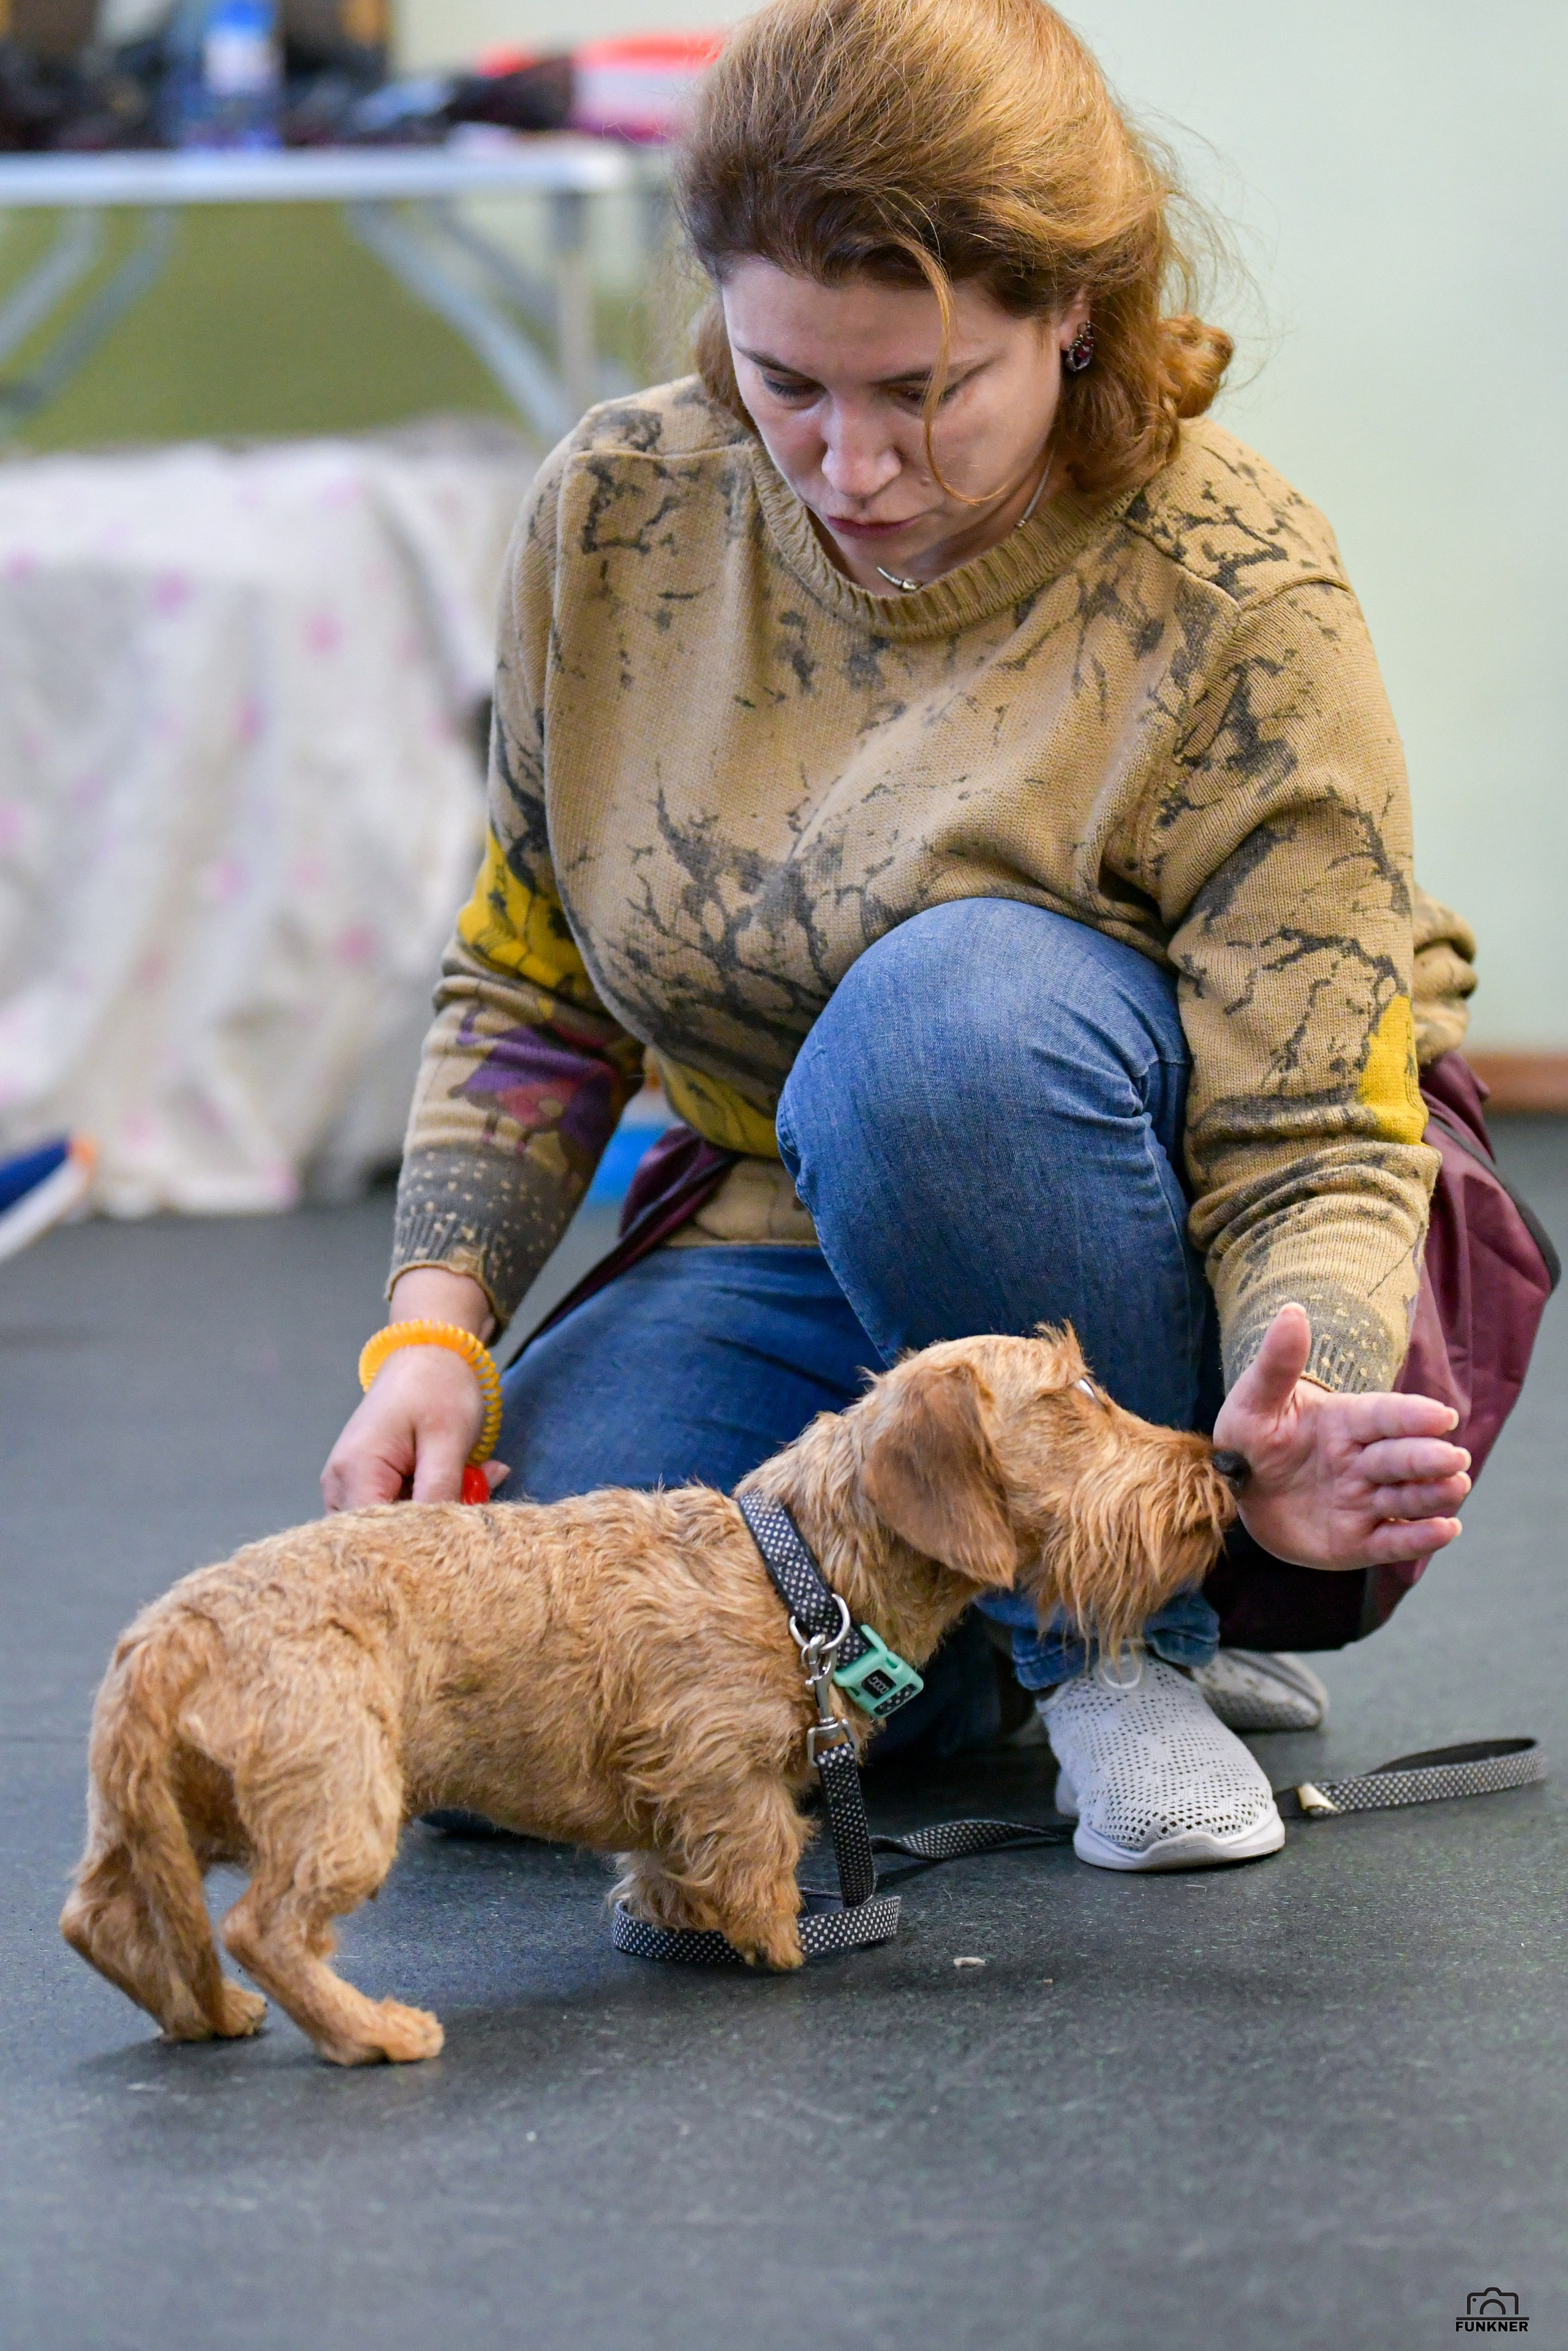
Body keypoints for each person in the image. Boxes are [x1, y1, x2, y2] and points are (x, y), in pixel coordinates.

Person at [323, 0, 1480, 1872]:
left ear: (1074, 318)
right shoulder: (617, 511)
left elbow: (1315, 1139)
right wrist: (428, 1342)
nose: (849, 464)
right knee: (527, 1697)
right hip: (794, 1236)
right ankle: (1008, 1649)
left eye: (928, 392)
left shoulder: (1240, 591)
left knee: (937, 1026)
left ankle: (1124, 1648)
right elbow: (528, 974)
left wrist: (1307, 1385)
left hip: (1130, 1250)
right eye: (790, 383)